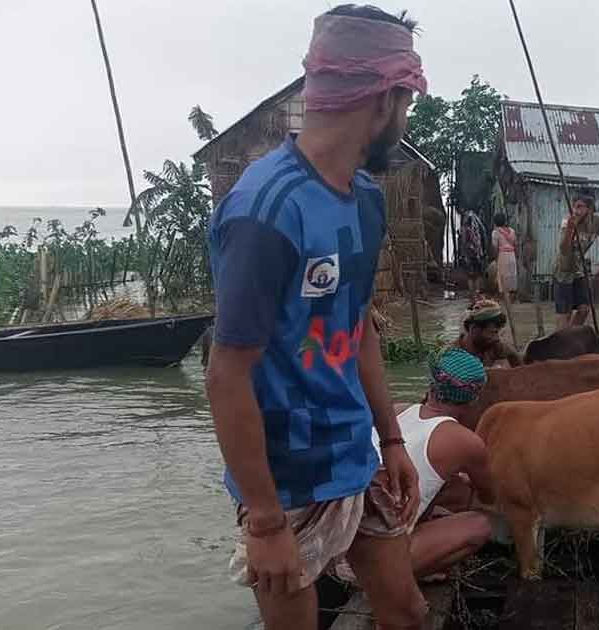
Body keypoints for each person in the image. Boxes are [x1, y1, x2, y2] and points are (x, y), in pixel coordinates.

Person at [205, 6, 429, 630]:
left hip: (356, 455)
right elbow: (227, 376)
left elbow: (355, 330)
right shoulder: (264, 210)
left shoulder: (365, 200)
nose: (404, 118)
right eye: (407, 103)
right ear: (384, 101)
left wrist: (391, 440)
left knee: (407, 611)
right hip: (286, 482)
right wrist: (266, 520)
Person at [342, 348, 495, 583]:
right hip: (366, 565)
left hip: (336, 544)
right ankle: (410, 575)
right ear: (474, 399)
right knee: (480, 524)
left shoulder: (397, 411)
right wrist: (468, 480)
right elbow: (489, 495)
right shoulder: (465, 441)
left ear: (431, 386)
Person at [554, 189, 599, 330]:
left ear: (590, 208)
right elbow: (563, 249)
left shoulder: (598, 222)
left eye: (580, 206)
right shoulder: (568, 221)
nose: (575, 210)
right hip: (564, 270)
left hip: (579, 270)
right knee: (565, 314)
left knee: (584, 309)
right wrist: (570, 229)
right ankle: (562, 339)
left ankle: (570, 337)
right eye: (574, 206)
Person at [451, 298, 521, 368]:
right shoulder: (453, 356)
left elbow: (516, 358)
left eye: (497, 332)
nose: (497, 338)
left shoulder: (494, 345)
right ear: (474, 329)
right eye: (492, 332)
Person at [458, 208, 487, 301]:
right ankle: (477, 293)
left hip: (468, 255)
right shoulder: (478, 228)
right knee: (478, 275)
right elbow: (483, 240)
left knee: (470, 276)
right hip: (477, 255)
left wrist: (462, 254)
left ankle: (472, 296)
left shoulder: (464, 229)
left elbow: (462, 243)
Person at [491, 213, 518, 304]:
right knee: (512, 278)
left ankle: (506, 303)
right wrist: (516, 257)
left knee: (502, 279)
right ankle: (511, 302)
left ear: (495, 222)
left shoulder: (495, 233)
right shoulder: (512, 231)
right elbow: (515, 245)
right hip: (512, 255)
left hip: (503, 256)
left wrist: (495, 259)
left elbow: (495, 248)